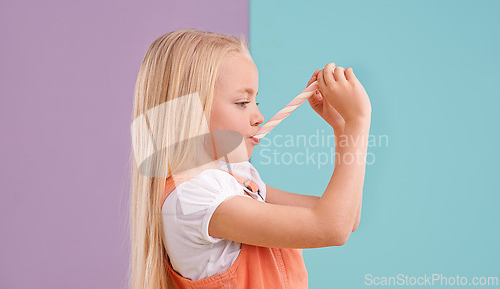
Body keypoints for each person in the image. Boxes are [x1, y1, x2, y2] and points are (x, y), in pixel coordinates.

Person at [129, 28, 372, 289]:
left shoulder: (238, 178)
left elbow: (348, 218)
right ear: (188, 111)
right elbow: (331, 227)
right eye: (243, 102)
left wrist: (342, 129)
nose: (258, 116)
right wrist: (359, 122)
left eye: (257, 101)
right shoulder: (193, 199)